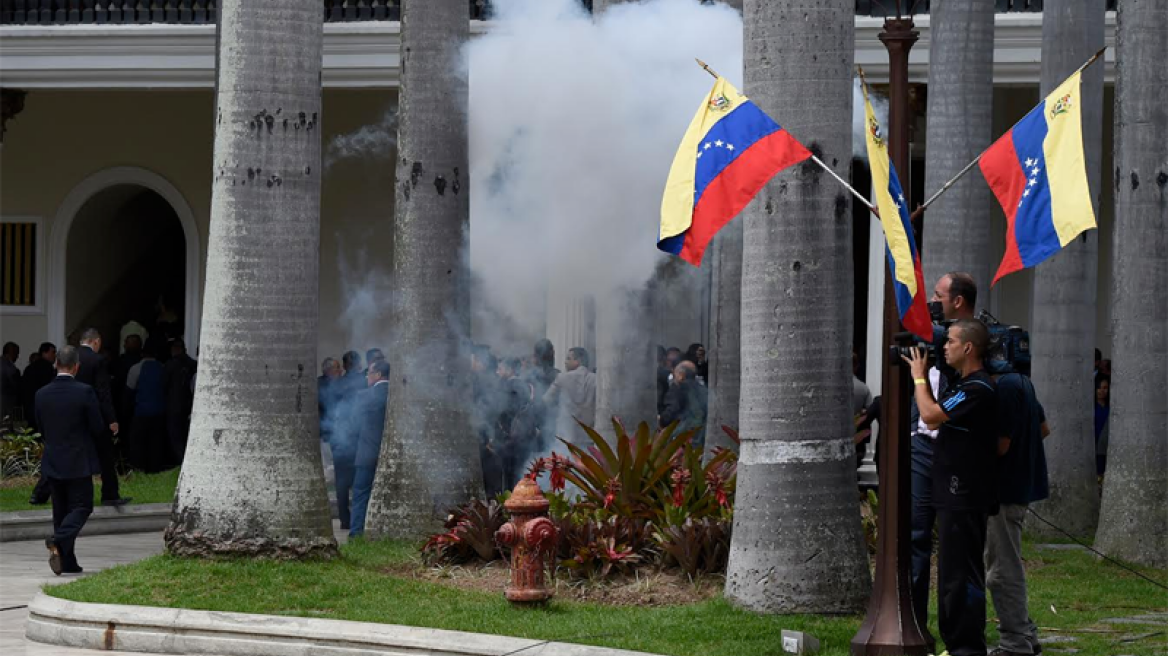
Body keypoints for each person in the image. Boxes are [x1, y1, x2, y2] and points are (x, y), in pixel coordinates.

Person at [904, 319, 998, 656]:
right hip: (955, 493)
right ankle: (958, 643)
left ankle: (967, 648)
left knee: (961, 576)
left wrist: (918, 373)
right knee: (951, 576)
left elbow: (929, 415)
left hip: (964, 495)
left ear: (968, 348)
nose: (944, 347)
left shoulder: (977, 388)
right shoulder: (965, 385)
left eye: (951, 342)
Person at [910, 271, 978, 630]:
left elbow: (935, 415)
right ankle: (916, 628)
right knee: (916, 537)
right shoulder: (936, 341)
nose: (933, 302)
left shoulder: (973, 344)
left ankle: (959, 635)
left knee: (955, 548)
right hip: (921, 448)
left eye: (938, 296)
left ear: (958, 301)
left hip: (953, 453)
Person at [986, 370, 1050, 656]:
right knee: (1001, 564)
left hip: (1003, 494)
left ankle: (1015, 642)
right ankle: (1025, 633)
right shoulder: (1022, 382)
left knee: (1001, 569)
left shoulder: (1006, 388)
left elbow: (1001, 445)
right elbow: (1043, 429)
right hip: (1016, 489)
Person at [36, 346, 105, 575]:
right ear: (77, 366)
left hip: (54, 459)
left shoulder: (41, 394)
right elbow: (97, 426)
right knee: (82, 506)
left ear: (56, 364)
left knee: (61, 512)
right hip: (78, 459)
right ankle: (58, 539)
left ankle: (67, 560)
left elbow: (41, 427)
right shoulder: (84, 392)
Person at [76, 328, 129, 506]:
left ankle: (41, 492)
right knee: (106, 455)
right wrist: (112, 419)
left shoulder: (69, 355)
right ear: (96, 341)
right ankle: (110, 494)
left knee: (65, 450)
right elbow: (103, 393)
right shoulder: (98, 360)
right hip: (94, 415)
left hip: (73, 413)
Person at [349, 360, 390, 537]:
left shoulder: (363, 396)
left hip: (367, 453)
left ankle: (356, 533)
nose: (367, 377)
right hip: (390, 454)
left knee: (360, 494)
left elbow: (353, 425)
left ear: (378, 375)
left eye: (369, 373)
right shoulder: (398, 395)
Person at [23, 342, 58, 505]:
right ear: (45, 353)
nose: (54, 356)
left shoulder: (30, 368)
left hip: (31, 410)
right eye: (53, 352)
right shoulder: (47, 370)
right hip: (45, 412)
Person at [125, 340, 168, 472]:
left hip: (141, 411)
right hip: (159, 411)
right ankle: (155, 469)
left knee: (138, 442)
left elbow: (129, 390)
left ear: (142, 353)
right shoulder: (163, 367)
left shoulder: (136, 368)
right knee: (156, 442)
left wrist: (126, 412)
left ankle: (139, 468)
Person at [544, 347, 597, 448]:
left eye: (568, 358)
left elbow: (546, 400)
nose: (565, 362)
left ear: (578, 361)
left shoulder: (562, 377)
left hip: (566, 438)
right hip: (588, 439)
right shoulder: (595, 379)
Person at [162, 338, 197, 464]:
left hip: (174, 405)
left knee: (175, 435)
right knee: (185, 434)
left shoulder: (170, 364)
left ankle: (181, 461)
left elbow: (164, 385)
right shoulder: (193, 364)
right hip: (188, 405)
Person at [660, 361, 708, 448]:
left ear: (681, 375)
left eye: (674, 374)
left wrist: (661, 419)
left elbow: (670, 412)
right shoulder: (704, 390)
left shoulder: (678, 389)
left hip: (682, 438)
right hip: (701, 438)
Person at [0, 341, 21, 422]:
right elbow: (16, 387)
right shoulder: (10, 367)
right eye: (17, 353)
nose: (17, 356)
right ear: (12, 352)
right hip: (6, 406)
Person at [657, 347, 681, 415]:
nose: (672, 364)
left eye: (675, 361)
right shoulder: (660, 376)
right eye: (670, 360)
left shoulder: (683, 377)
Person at [1094, 374, 1110, 478]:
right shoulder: (1090, 407)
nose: (1101, 391)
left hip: (1108, 448)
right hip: (1095, 448)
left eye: (1105, 388)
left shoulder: (1112, 407)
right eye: (1099, 387)